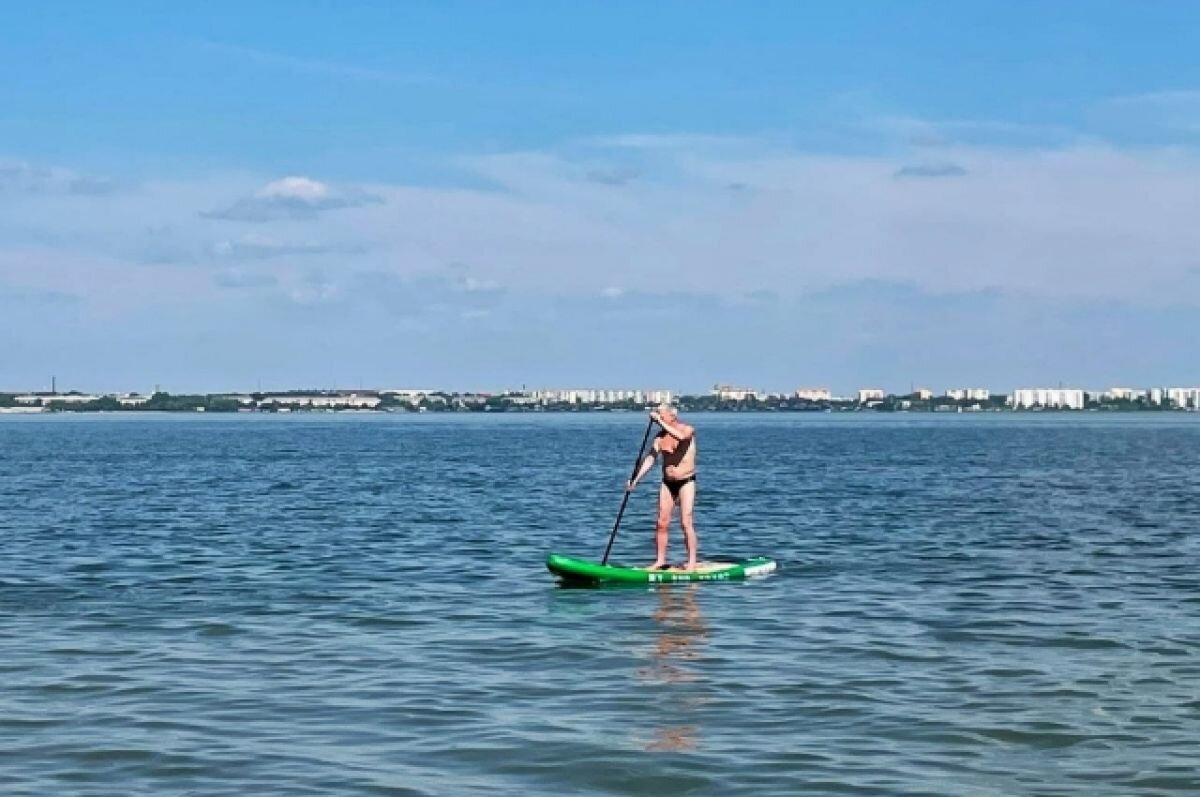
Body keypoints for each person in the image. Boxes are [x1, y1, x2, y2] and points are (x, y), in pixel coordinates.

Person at [626, 404, 699, 570]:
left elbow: (680, 437)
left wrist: (658, 420)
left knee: (685, 522)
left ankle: (692, 561)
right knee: (661, 522)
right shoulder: (659, 438)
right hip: (667, 483)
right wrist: (635, 480)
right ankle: (660, 560)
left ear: (671, 416)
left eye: (660, 413)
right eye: (657, 413)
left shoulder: (687, 429)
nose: (656, 415)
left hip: (686, 482)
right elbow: (650, 459)